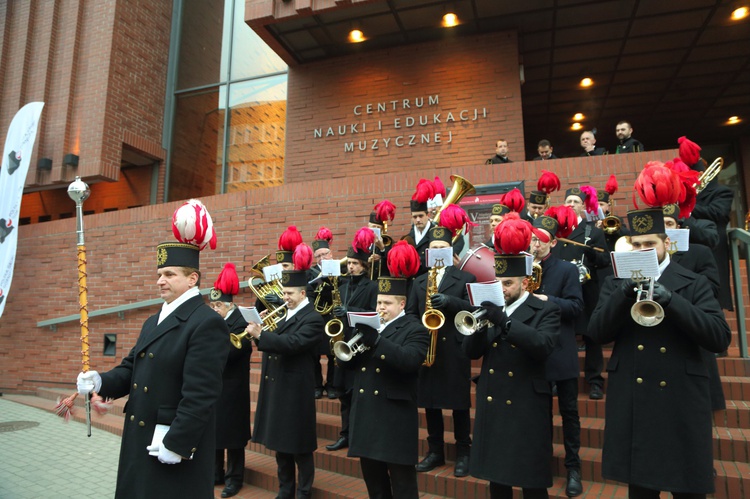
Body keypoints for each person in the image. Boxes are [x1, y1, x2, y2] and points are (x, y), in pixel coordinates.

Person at [75, 200, 229, 499]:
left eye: (170, 274)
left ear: (192, 278)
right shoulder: (153, 320)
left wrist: (179, 442)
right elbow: (131, 367)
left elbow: (201, 394)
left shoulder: (206, 323)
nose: (160, 280)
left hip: (169, 441)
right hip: (141, 437)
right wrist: (100, 381)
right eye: (160, 273)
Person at [589, 207, 731, 498]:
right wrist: (624, 292)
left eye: (650, 244)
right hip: (635, 397)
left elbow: (719, 338)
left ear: (667, 244)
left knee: (687, 488)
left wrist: (672, 300)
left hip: (680, 397)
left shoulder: (694, 282)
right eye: (637, 245)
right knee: (641, 489)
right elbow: (596, 332)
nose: (643, 250)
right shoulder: (616, 282)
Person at [463, 216, 560, 499]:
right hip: (494, 401)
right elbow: (470, 352)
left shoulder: (545, 310)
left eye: (508, 283)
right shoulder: (491, 307)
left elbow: (542, 345)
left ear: (525, 282)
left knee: (531, 483)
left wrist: (505, 324)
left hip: (526, 404)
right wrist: (481, 326)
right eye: (498, 282)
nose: (502, 289)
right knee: (498, 481)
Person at [342, 258, 429, 499]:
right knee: (375, 484)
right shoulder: (371, 327)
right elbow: (349, 365)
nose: (381, 307)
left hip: (394, 418)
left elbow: (409, 361)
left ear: (401, 304)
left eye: (387, 303)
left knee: (403, 485)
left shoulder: (415, 328)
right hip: (366, 414)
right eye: (379, 302)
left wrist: (377, 341)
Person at [245, 251, 324, 499]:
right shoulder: (283, 312)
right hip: (279, 385)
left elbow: (293, 343)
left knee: (300, 447)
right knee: (281, 445)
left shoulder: (313, 318)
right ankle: (285, 489)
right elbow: (276, 341)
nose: (285, 298)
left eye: (289, 294)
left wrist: (262, 336)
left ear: (303, 293)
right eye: (284, 293)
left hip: (296, 389)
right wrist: (260, 334)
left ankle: (303, 491)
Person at [407, 225, 476, 477]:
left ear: (451, 251)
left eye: (442, 248)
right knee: (430, 402)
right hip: (428, 347)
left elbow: (472, 309)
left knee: (459, 404)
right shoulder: (419, 281)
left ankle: (463, 452)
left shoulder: (465, 278)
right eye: (433, 248)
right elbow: (412, 313)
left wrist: (450, 302)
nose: (437, 251)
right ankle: (435, 451)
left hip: (455, 349)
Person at [530, 214, 585, 497]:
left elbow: (576, 307)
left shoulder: (566, 270)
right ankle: (543, 465)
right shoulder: (524, 267)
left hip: (561, 352)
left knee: (569, 413)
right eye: (531, 239)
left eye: (539, 240)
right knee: (539, 415)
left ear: (551, 242)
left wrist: (547, 300)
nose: (533, 244)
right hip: (535, 353)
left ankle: (573, 468)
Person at [552, 187, 610, 400]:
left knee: (592, 335)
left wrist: (592, 254)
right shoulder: (556, 232)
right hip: (562, 291)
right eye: (568, 200)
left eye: (576, 201)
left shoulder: (592, 231)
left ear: (583, 206)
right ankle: (562, 379)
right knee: (563, 334)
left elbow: (605, 261)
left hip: (587, 290)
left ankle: (594, 381)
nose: (571, 204)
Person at [326, 230, 379, 452]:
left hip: (360, 345)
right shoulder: (341, 285)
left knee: (358, 393)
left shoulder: (372, 286)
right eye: (349, 263)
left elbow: (372, 314)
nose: (351, 267)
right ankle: (345, 434)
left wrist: (349, 310)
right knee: (342, 393)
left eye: (356, 264)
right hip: (342, 342)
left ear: (364, 266)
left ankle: (359, 434)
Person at [208, 263, 252, 498]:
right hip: (216, 386)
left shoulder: (240, 322)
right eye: (212, 305)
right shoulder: (217, 321)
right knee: (215, 431)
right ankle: (216, 472)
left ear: (230, 305)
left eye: (218, 306)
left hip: (234, 388)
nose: (214, 309)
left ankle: (235, 478)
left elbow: (234, 352)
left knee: (234, 436)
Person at [680, 136, 734, 310]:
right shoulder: (684, 193)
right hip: (688, 247)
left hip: (713, 247)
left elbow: (717, 213)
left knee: (712, 296)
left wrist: (688, 205)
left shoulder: (722, 192)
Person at [310, 228, 339, 399]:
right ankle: (316, 385)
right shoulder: (311, 272)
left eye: (324, 254)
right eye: (318, 256)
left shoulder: (339, 268)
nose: (321, 259)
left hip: (333, 315)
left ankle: (332, 384)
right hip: (316, 316)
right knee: (314, 352)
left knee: (333, 352)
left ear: (331, 253)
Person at [405, 187, 434, 276]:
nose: (417, 220)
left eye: (421, 216)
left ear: (428, 215)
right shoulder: (409, 237)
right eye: (415, 217)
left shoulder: (435, 233)